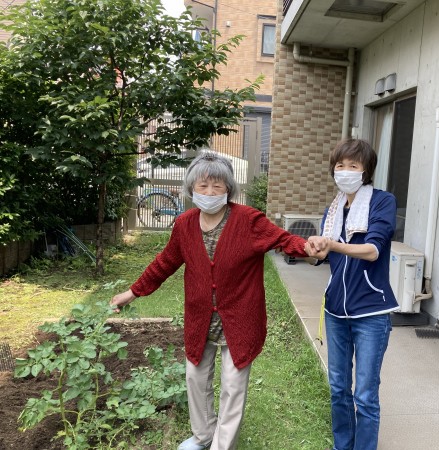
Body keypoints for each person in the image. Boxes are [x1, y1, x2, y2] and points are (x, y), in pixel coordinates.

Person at [110, 151, 308, 450]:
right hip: (201, 318)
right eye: (203, 185)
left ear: (229, 188)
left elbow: (285, 240)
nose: (210, 192)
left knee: (232, 386)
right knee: (196, 378)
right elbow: (164, 263)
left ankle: (222, 445)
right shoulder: (184, 224)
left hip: (240, 319)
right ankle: (203, 436)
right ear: (192, 188)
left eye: (218, 185)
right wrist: (132, 292)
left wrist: (309, 247)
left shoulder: (248, 220)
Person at [304, 138, 399, 450]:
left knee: (365, 395)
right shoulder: (333, 211)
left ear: (366, 170)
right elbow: (323, 258)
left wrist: (332, 244)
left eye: (353, 165)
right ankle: (342, 446)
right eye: (340, 165)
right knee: (338, 388)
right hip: (335, 311)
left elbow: (373, 250)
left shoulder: (382, 202)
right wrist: (312, 250)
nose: (344, 171)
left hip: (371, 312)